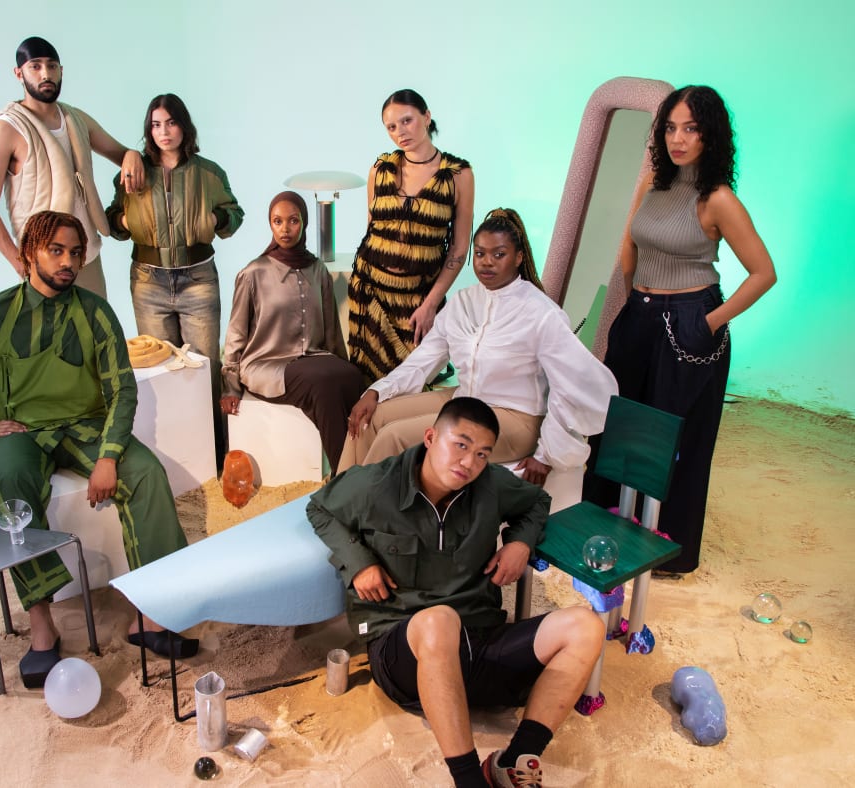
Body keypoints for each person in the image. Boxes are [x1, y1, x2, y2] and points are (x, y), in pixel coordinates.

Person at [0, 211, 197, 690]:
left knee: (148, 474)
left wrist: (110, 456)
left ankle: (150, 617)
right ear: (30, 250)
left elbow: (122, 390)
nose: (68, 261)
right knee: (11, 489)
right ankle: (41, 625)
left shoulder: (95, 312)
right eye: (56, 250)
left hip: (87, 427)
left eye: (76, 252)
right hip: (24, 433)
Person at [309, 397, 604, 788]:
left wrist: (520, 544)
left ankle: (514, 761)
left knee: (586, 625)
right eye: (460, 445)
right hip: (405, 653)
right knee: (439, 620)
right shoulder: (374, 484)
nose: (469, 463)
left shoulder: (491, 485)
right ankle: (468, 780)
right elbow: (320, 509)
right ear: (431, 437)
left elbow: (536, 503)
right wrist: (357, 561)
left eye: (482, 454)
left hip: (480, 642)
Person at [583, 86, 776, 576]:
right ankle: (609, 528)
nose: (678, 138)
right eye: (670, 127)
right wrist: (634, 303)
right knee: (619, 424)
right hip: (641, 316)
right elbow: (630, 246)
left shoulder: (718, 199)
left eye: (690, 128)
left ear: (711, 134)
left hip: (690, 322)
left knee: (675, 441)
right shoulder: (653, 182)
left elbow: (763, 273)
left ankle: (668, 550)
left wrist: (707, 322)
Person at [341, 209, 618, 485]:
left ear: (519, 257)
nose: (487, 262)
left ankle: (367, 514)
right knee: (370, 417)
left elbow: (568, 385)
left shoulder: (541, 313)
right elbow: (423, 361)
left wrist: (546, 454)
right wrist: (377, 391)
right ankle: (339, 500)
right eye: (480, 253)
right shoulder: (463, 302)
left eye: (499, 254)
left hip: (515, 419)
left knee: (394, 435)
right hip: (464, 402)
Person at [107, 93, 244, 464]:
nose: (164, 132)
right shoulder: (134, 174)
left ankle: (215, 452)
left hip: (198, 280)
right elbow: (112, 221)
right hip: (148, 282)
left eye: (170, 122)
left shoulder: (208, 172)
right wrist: (127, 221)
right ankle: (173, 457)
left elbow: (235, 215)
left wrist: (213, 221)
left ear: (184, 125)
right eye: (155, 125)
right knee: (159, 373)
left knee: (204, 370)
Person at [0, 36, 146, 298]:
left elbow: (121, 153)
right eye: (36, 66)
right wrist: (18, 263)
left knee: (94, 333)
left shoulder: (75, 119)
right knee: (50, 336)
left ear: (61, 71)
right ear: (19, 73)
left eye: (52, 66)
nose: (46, 74)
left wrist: (132, 154)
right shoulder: (7, 129)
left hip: (85, 254)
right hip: (43, 259)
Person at [220, 191, 363, 475]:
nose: (285, 229)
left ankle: (367, 469)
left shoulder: (317, 269)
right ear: (270, 225)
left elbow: (332, 328)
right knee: (323, 385)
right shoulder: (253, 273)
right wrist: (229, 386)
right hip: (267, 365)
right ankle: (344, 478)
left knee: (352, 378)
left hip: (313, 359)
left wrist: (342, 366)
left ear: (304, 223)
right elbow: (236, 334)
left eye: (293, 221)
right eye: (277, 221)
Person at [347, 89, 475, 383]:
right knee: (369, 386)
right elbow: (372, 230)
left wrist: (431, 304)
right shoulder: (380, 169)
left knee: (413, 384)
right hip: (370, 294)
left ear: (427, 117)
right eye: (391, 127)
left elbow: (458, 248)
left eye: (407, 121)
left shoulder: (458, 174)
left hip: (418, 301)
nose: (399, 132)